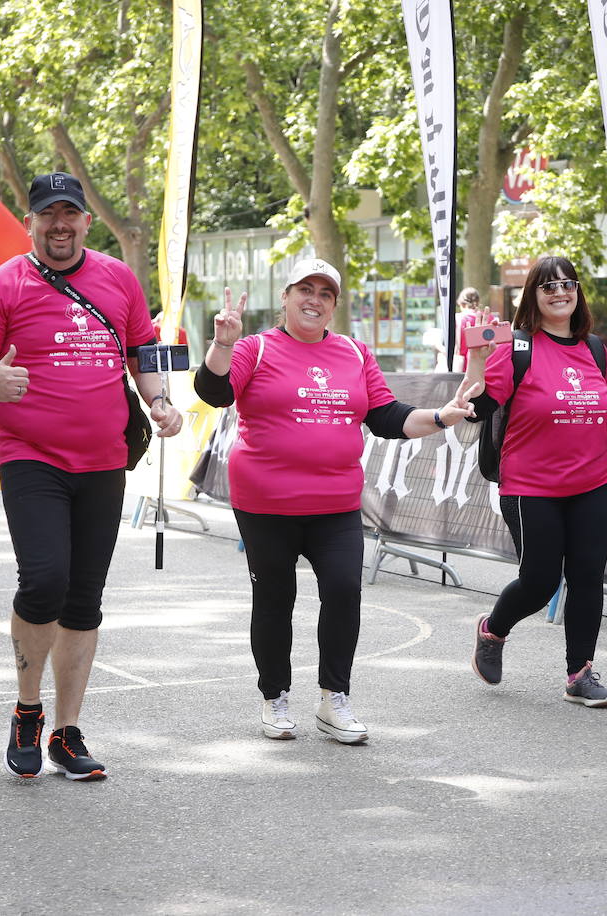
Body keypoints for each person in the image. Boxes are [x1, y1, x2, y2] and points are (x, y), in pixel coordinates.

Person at [0, 172, 184, 781]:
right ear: (30, 222)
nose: (60, 224)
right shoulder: (3, 286)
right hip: (31, 456)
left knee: (83, 598)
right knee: (45, 579)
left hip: (104, 461)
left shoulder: (118, 279)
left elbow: (142, 354)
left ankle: (67, 734)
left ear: (84, 221)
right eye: (48, 214)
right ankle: (27, 708)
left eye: (70, 214)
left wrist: (159, 402)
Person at [193, 258, 479, 744]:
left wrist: (442, 415)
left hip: (336, 502)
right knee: (275, 599)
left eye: (325, 293)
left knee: (345, 591)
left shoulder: (354, 352)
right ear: (285, 297)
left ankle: (333, 700)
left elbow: (388, 417)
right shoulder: (254, 348)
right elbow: (214, 391)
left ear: (334, 305)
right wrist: (222, 342)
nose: (314, 299)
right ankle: (275, 698)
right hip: (266, 504)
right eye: (305, 289)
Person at [463, 256, 607, 707]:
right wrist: (477, 364)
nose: (559, 292)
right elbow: (477, 408)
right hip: (531, 487)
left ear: (578, 291)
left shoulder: (596, 350)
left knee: (587, 577)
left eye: (567, 283)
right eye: (548, 286)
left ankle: (579, 674)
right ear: (535, 296)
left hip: (595, 482)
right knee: (540, 580)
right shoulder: (517, 349)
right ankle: (493, 630)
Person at [452, 287, 489, 372]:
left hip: (464, 367)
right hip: (486, 366)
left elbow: (456, 346)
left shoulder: (458, 319)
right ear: (478, 302)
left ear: (462, 304)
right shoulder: (489, 318)